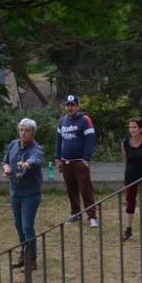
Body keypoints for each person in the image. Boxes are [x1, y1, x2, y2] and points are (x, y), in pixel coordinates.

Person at [3, 118, 44, 272]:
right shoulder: (13, 145)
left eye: (27, 130)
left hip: (31, 194)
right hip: (15, 192)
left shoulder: (36, 148)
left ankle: (32, 259)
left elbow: (35, 159)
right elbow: (5, 160)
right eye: (21, 130)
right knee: (18, 225)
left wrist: (27, 164)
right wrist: (6, 169)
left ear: (33, 133)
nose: (23, 133)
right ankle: (23, 254)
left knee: (27, 226)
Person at [55, 94, 98, 227]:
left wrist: (86, 159)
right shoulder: (62, 121)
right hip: (66, 162)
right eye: (68, 105)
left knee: (86, 189)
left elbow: (90, 141)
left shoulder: (85, 120)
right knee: (71, 189)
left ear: (77, 106)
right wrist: (57, 158)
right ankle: (75, 213)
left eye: (73, 105)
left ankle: (92, 217)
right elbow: (58, 141)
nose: (70, 108)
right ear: (65, 107)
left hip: (80, 162)